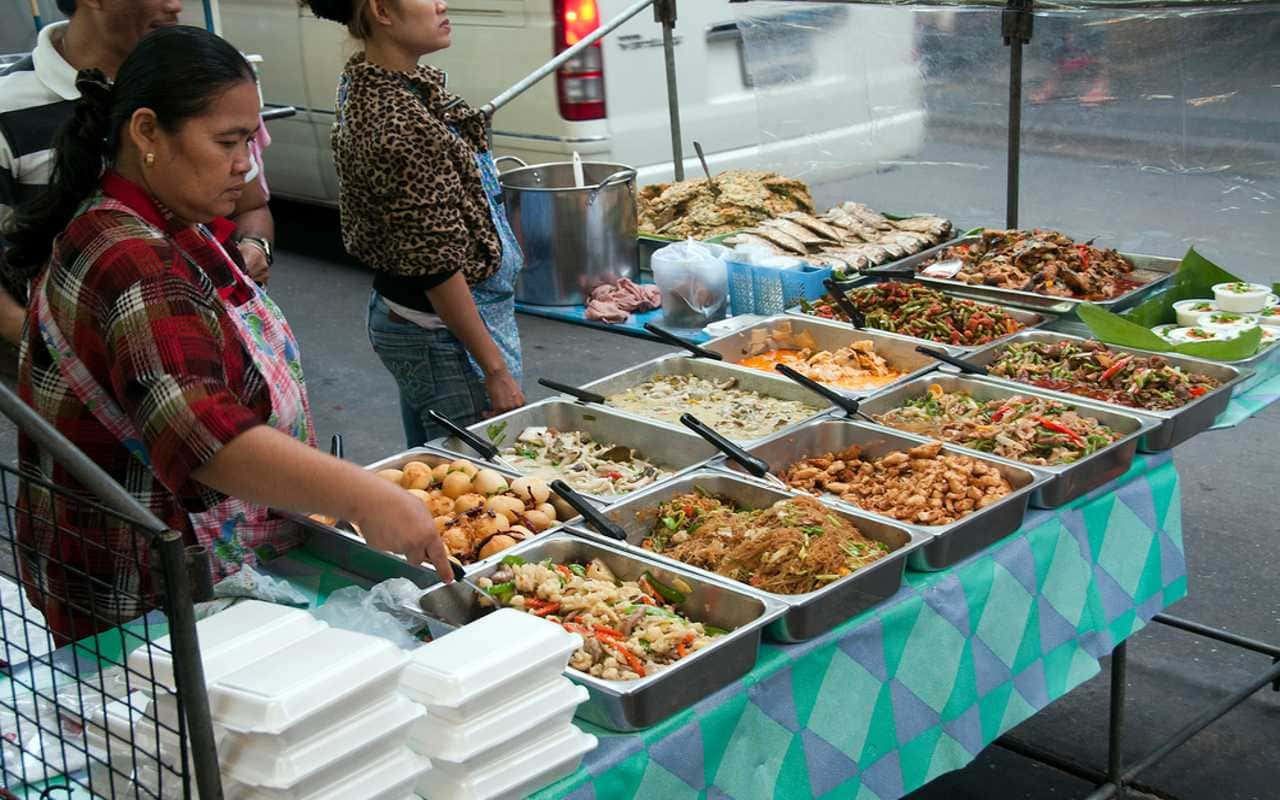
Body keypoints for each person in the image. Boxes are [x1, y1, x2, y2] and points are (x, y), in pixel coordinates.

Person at [3, 25, 450, 641]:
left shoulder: (168, 222)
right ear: (147, 132)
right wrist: (364, 496)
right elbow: (204, 437)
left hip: (155, 559)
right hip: (139, 594)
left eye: (250, 140)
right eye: (228, 141)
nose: (246, 163)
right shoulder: (129, 257)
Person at [303, 0, 526, 447]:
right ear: (382, 11)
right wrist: (494, 371)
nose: (443, 4)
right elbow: (435, 265)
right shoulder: (397, 122)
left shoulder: (376, 81)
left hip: (417, 321)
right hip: (441, 333)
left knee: (434, 460)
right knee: (472, 475)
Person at [0, 0, 277, 352]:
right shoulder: (7, 109)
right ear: (144, 130)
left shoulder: (209, 80)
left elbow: (253, 206)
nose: (176, 5)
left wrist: (255, 248)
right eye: (225, 142)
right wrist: (46, 346)